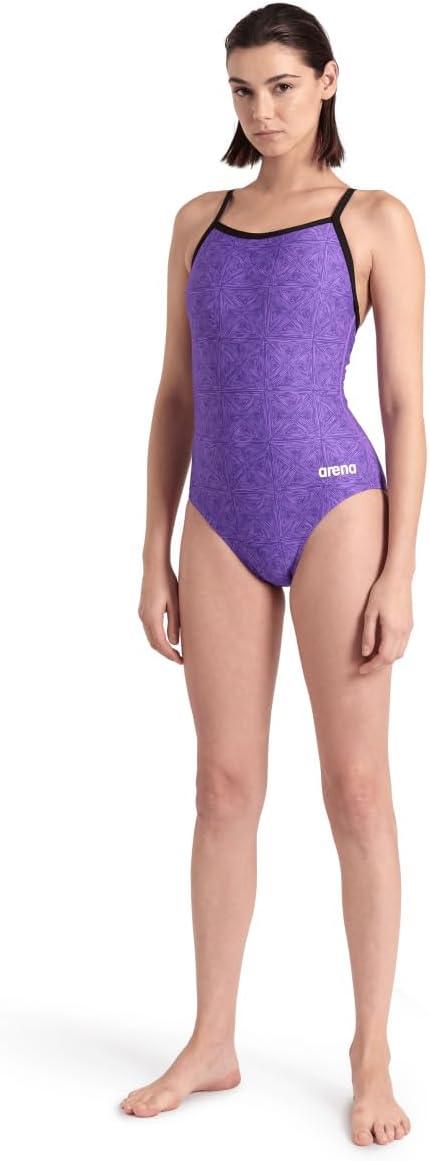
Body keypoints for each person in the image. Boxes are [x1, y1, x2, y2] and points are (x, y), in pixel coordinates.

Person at [120, 3, 425, 1146]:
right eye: (242, 90)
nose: (261, 110)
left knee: (356, 790)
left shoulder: (372, 218)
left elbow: (403, 404)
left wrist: (399, 569)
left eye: (282, 86)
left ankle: (370, 1052)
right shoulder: (197, 222)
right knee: (222, 787)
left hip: (338, 501)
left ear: (328, 81)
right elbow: (175, 394)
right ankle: (212, 1040)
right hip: (220, 514)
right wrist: (150, 548)